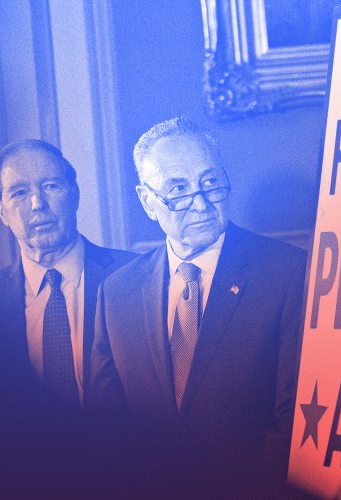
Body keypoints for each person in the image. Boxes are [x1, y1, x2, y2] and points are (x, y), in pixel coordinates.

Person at [88, 117, 307, 495]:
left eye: (210, 183)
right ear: (147, 201)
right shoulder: (117, 293)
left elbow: (293, 423)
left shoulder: (287, 273)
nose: (201, 204)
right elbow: (106, 429)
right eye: (178, 190)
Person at [0, 140, 136, 411]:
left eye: (50, 186)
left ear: (74, 194)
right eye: (19, 192)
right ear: (2, 211)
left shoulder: (137, 278)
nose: (37, 204)